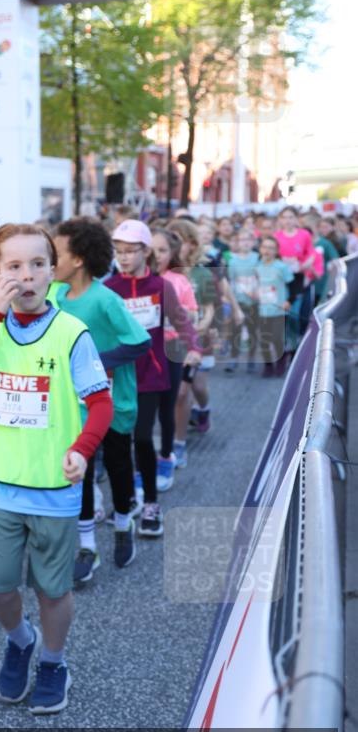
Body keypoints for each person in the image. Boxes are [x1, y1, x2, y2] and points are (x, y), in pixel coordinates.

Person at [0, 224, 113, 713]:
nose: (27, 275)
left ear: (52, 270)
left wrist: (83, 449)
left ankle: (54, 660)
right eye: (14, 266)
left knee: (52, 589)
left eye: (38, 264)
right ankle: (21, 640)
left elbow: (101, 404)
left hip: (53, 487)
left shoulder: (71, 333)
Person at [52, 217, 150, 581]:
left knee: (121, 468)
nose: (50, 261)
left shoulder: (105, 298)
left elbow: (139, 341)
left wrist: (94, 363)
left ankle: (124, 523)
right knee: (80, 470)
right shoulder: (56, 297)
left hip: (113, 402)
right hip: (73, 404)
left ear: (78, 259)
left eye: (55, 254)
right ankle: (88, 546)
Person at [105, 220, 201, 538]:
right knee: (119, 443)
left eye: (131, 251)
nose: (125, 258)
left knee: (144, 438)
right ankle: (126, 500)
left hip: (151, 374)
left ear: (146, 252)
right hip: (118, 377)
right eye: (119, 251)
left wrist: (194, 348)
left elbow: (181, 320)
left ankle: (151, 504)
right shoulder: (109, 288)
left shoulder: (161, 287)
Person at [150, 228, 199, 489]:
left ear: (172, 254)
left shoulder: (178, 281)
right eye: (152, 249)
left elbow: (191, 316)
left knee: (169, 404)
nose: (156, 255)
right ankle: (142, 464)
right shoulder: (135, 279)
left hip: (172, 349)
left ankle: (168, 455)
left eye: (162, 251)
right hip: (143, 352)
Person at [167, 220, 216, 469]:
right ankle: (173, 439)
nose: (173, 244)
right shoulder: (161, 273)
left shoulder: (200, 273)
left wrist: (200, 327)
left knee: (192, 388)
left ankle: (182, 439)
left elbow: (209, 308)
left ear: (192, 245)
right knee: (176, 392)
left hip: (194, 338)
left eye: (179, 239)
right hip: (168, 342)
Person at [273, 206, 315, 356]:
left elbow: (311, 254)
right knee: (281, 312)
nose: (288, 220)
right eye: (285, 217)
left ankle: (295, 343)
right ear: (280, 219)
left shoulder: (304, 235)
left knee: (294, 312)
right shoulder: (276, 236)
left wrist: (303, 265)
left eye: (291, 217)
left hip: (298, 278)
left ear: (296, 219)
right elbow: (271, 255)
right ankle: (285, 345)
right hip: (281, 280)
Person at [255, 235, 294, 377]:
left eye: (271, 248)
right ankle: (268, 366)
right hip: (262, 310)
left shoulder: (281, 267)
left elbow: (293, 285)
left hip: (279, 310)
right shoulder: (257, 266)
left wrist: (289, 301)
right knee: (264, 340)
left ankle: (281, 359)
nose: (267, 251)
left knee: (277, 339)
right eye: (265, 247)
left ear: (277, 251)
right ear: (260, 249)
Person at [226, 228, 260, 372]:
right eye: (242, 240)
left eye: (248, 240)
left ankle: (251, 358)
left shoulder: (257, 258)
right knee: (236, 331)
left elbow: (262, 277)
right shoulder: (232, 260)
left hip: (254, 301)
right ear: (237, 243)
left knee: (253, 330)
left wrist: (258, 292)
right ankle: (234, 358)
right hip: (238, 301)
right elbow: (229, 282)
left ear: (253, 242)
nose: (245, 243)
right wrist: (231, 302)